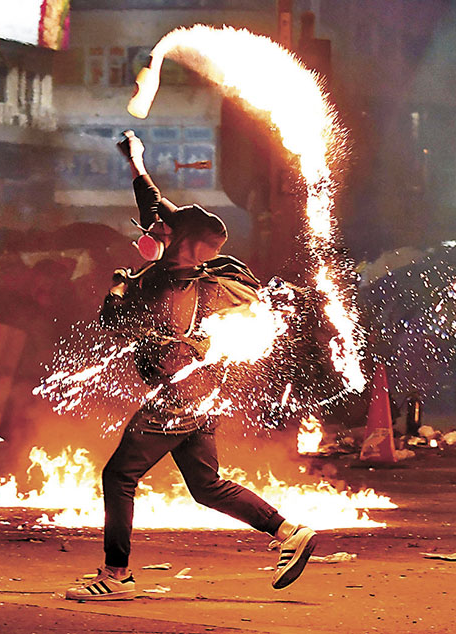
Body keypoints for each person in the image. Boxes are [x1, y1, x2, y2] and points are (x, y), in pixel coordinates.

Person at [65, 131, 317, 601]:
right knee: (206, 485)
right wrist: (136, 161)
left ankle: (116, 574)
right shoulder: (178, 266)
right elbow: (155, 205)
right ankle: (287, 532)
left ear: (186, 244)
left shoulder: (173, 284)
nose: (154, 228)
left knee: (119, 475)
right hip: (197, 397)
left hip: (178, 398)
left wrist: (120, 285)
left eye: (165, 229)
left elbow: (112, 320)